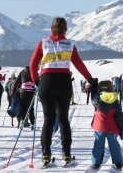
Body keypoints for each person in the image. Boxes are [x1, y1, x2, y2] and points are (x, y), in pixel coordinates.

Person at [30, 17, 93, 166]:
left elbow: (32, 65)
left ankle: (46, 155)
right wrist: (90, 79)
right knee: (63, 119)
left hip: (46, 81)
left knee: (48, 120)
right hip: (64, 82)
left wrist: (36, 81)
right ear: (65, 29)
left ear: (51, 28)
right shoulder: (70, 44)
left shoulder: (43, 43)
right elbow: (79, 64)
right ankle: (66, 154)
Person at [89, 80, 123, 170]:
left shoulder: (96, 99)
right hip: (112, 128)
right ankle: (118, 163)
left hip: (99, 127)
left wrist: (93, 84)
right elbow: (119, 118)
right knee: (114, 145)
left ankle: (96, 163)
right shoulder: (116, 102)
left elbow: (92, 93)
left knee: (98, 144)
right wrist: (122, 128)